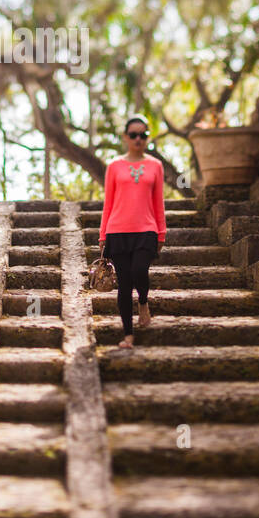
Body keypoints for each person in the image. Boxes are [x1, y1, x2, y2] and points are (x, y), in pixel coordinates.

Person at [99, 116, 166, 349]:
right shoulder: (114, 166)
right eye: (134, 135)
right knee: (125, 283)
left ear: (147, 137)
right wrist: (102, 235)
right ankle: (128, 335)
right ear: (126, 137)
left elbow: (158, 203)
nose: (139, 139)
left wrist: (161, 234)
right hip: (117, 231)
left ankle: (144, 302)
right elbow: (108, 203)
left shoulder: (155, 166)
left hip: (146, 229)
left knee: (139, 270)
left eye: (143, 135)